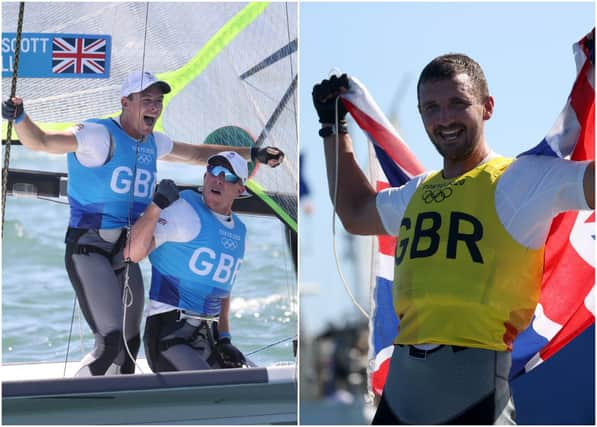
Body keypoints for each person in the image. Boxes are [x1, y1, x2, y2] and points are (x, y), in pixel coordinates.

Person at [312, 57, 594, 424]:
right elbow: (355, 211)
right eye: (432, 108)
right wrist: (332, 127)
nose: (444, 118)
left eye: (458, 103)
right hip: (403, 394)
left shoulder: (524, 180)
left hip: (475, 392)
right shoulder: (416, 193)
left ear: (487, 107)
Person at [1, 71, 284, 376]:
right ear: (125, 102)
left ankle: (116, 415)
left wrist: (252, 154)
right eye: (146, 100)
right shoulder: (98, 135)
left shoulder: (154, 142)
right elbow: (43, 141)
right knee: (110, 340)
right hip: (90, 250)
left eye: (158, 101)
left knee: (129, 342)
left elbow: (195, 153)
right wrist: (20, 118)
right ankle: (76, 408)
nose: (154, 106)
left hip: (124, 253)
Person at [124, 151, 250, 372]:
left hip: (208, 337)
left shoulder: (239, 230)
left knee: (246, 391)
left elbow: (222, 288)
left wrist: (225, 338)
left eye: (228, 176)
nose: (218, 179)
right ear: (204, 176)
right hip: (170, 335)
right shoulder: (184, 209)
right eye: (213, 171)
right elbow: (131, 254)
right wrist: (156, 206)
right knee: (216, 395)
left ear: (240, 189)